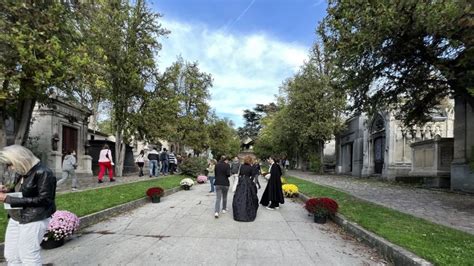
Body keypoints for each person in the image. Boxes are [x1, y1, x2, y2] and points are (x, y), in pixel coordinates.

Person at [0, 145, 56, 265]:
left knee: (28, 255)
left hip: (34, 218)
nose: (10, 167)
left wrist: (8, 199)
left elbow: (45, 200)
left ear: (20, 159)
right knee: (11, 255)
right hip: (16, 217)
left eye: (10, 164)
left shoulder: (44, 172)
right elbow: (23, 192)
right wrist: (7, 191)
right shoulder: (23, 171)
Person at [232, 156, 259, 222]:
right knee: (250, 197)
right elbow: (252, 176)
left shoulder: (241, 166)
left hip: (241, 182)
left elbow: (240, 174)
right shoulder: (251, 167)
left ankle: (239, 213)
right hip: (248, 182)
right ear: (250, 160)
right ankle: (247, 213)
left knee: (239, 197)